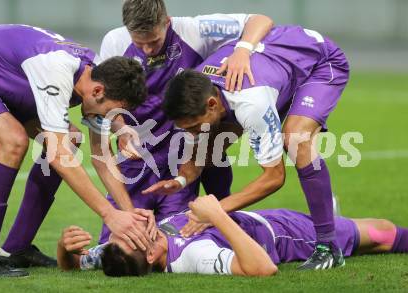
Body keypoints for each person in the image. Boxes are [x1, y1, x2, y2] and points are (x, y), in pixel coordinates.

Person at [147, 25, 350, 270]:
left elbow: (274, 178)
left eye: (193, 126)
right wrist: (179, 181)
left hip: (320, 62)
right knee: (211, 142)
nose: (192, 133)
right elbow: (197, 154)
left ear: (213, 105)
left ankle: (328, 246)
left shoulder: (250, 103)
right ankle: (231, 227)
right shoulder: (197, 88)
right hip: (277, 68)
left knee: (296, 139)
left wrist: (216, 211)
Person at [0, 24, 153, 277]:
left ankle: (16, 249)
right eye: (107, 113)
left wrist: (128, 213)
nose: (105, 119)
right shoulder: (56, 69)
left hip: (6, 76)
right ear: (98, 91)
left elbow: (102, 158)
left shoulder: (98, 74)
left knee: (70, 138)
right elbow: (60, 157)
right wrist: (108, 214)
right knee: (12, 141)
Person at [96, 0, 275, 243]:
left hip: (183, 153)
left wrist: (243, 50)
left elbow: (260, 20)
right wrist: (122, 128)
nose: (147, 50)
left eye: (154, 41)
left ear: (166, 23)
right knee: (119, 243)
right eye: (140, 43)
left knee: (176, 240)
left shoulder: (195, 30)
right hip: (137, 156)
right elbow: (104, 102)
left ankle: (235, 227)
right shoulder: (114, 42)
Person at [57, 194, 408, 276]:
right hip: (286, 236)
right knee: (382, 233)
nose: (129, 228)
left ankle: (331, 214)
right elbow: (262, 269)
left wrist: (64, 249)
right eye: (133, 236)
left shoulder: (118, 250)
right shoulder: (191, 258)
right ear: (150, 256)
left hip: (262, 217)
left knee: (339, 214)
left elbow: (75, 264)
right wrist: (218, 215)